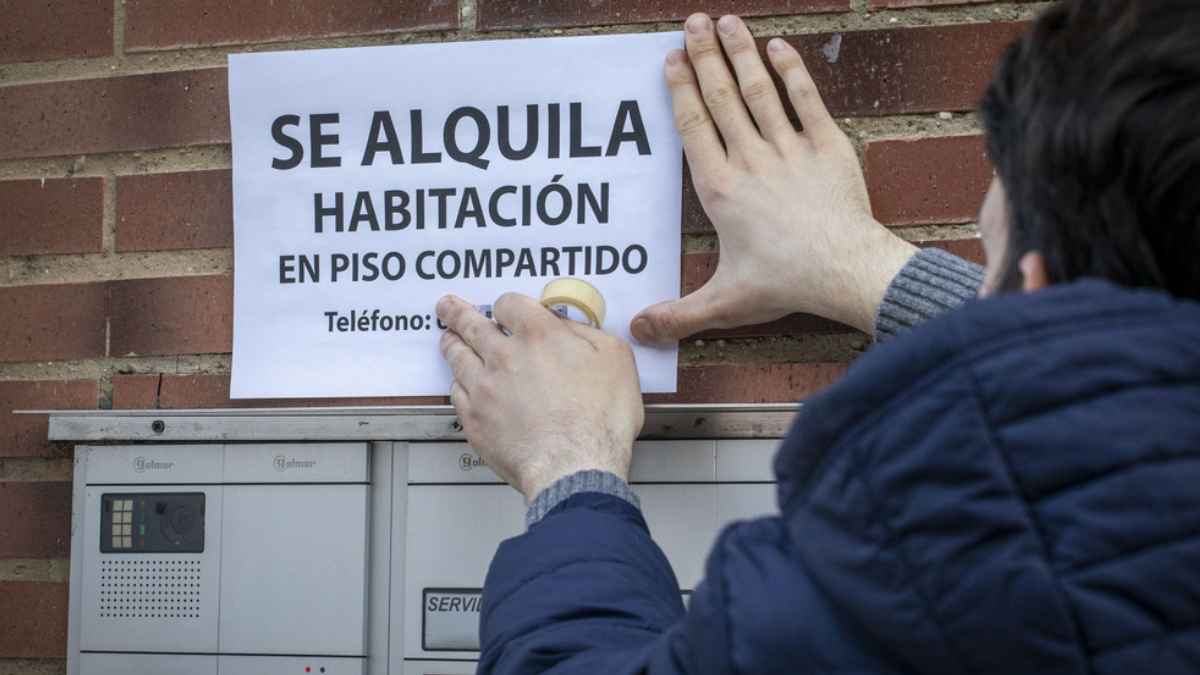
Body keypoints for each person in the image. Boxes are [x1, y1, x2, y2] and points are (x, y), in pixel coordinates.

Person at [435, 1, 1200, 672]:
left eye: (986, 256)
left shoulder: (923, 575)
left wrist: (569, 466)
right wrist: (857, 263)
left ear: (1033, 296)